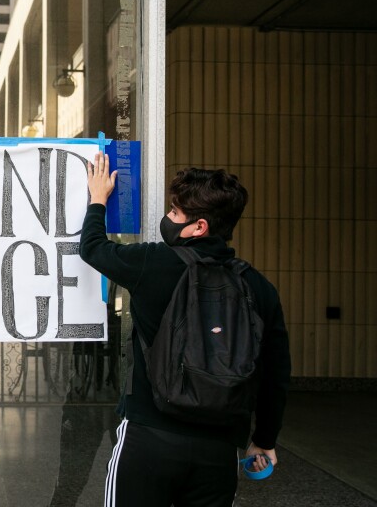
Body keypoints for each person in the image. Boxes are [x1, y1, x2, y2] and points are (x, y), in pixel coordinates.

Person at [80, 154, 291, 507]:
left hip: (148, 438)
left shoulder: (154, 263)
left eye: (176, 213)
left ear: (199, 227)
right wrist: (264, 439)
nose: (169, 218)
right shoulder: (258, 287)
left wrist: (98, 198)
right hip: (219, 450)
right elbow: (275, 375)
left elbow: (93, 248)